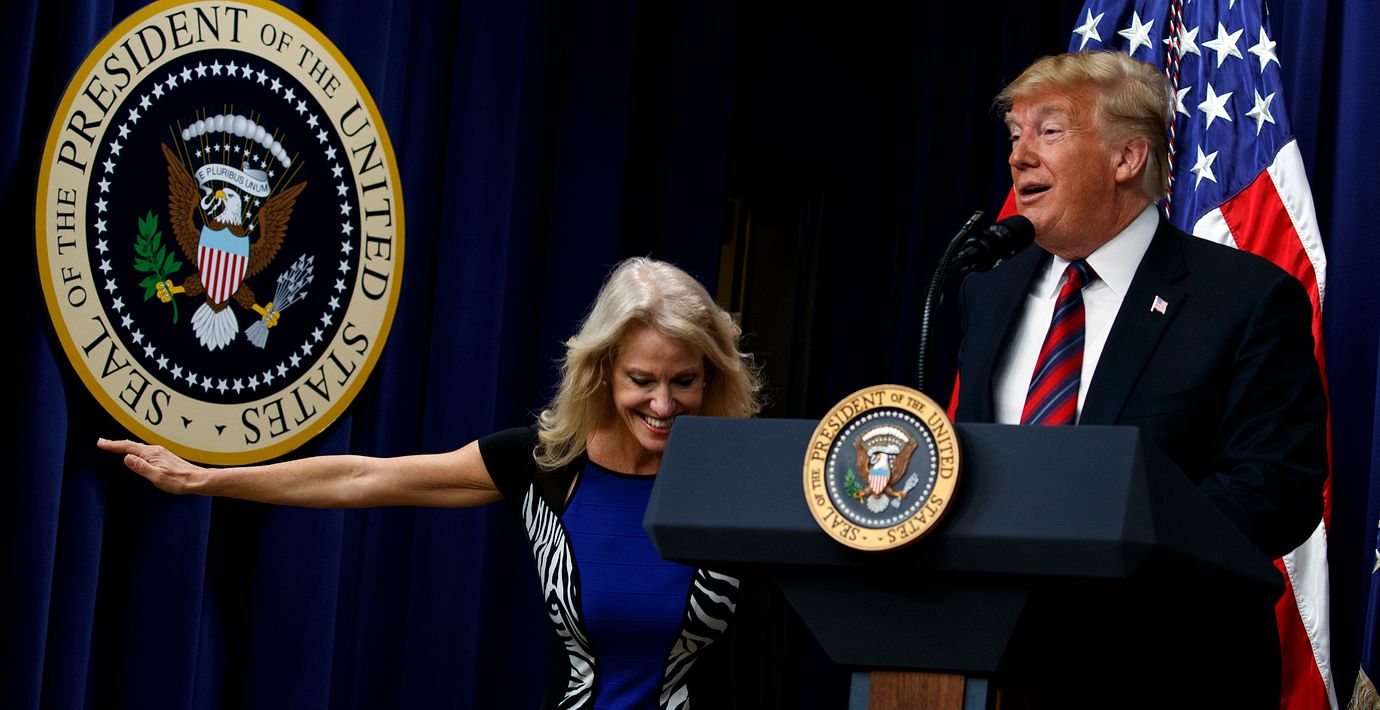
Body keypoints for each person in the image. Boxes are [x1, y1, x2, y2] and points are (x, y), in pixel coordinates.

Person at [99, 256, 763, 710]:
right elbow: (360, 477)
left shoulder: (736, 481)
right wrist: (205, 479)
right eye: (642, 381)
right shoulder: (544, 464)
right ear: (605, 369)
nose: (663, 405)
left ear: (711, 376)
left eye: (684, 381)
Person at [950, 51, 1327, 708]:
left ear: (1126, 158)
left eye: (1048, 131)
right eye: (1014, 135)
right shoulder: (988, 289)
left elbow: (1276, 488)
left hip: (1165, 670)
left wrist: (1105, 554)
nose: (1019, 156)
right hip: (993, 664)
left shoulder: (1245, 299)